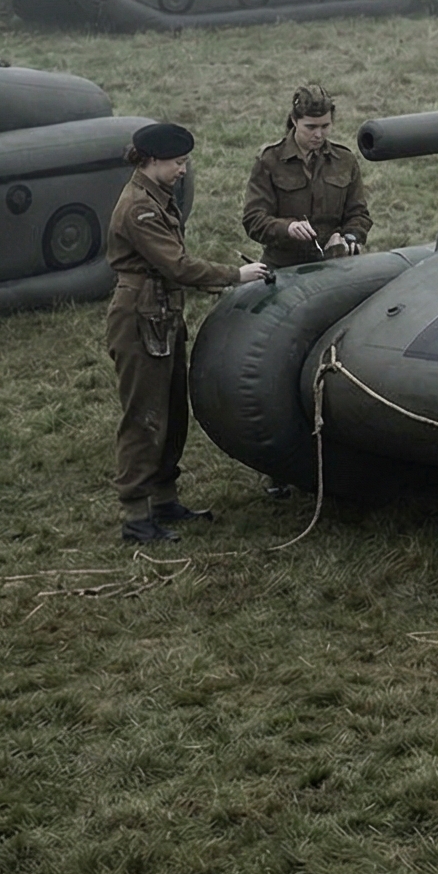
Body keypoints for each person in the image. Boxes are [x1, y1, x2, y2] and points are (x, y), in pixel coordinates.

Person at [105, 122, 269, 545]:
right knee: (145, 416)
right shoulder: (140, 208)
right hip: (142, 316)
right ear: (153, 161)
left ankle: (164, 501)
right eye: (177, 162)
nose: (182, 170)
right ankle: (136, 517)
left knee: (172, 411)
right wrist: (237, 275)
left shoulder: (156, 196)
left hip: (159, 313)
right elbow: (177, 266)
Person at [242, 84, 372, 269]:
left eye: (325, 126)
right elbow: (253, 219)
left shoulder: (345, 160)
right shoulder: (270, 161)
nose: (318, 135)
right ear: (294, 121)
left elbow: (358, 213)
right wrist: (287, 228)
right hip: (285, 265)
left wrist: (349, 236)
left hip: (335, 263)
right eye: (310, 127)